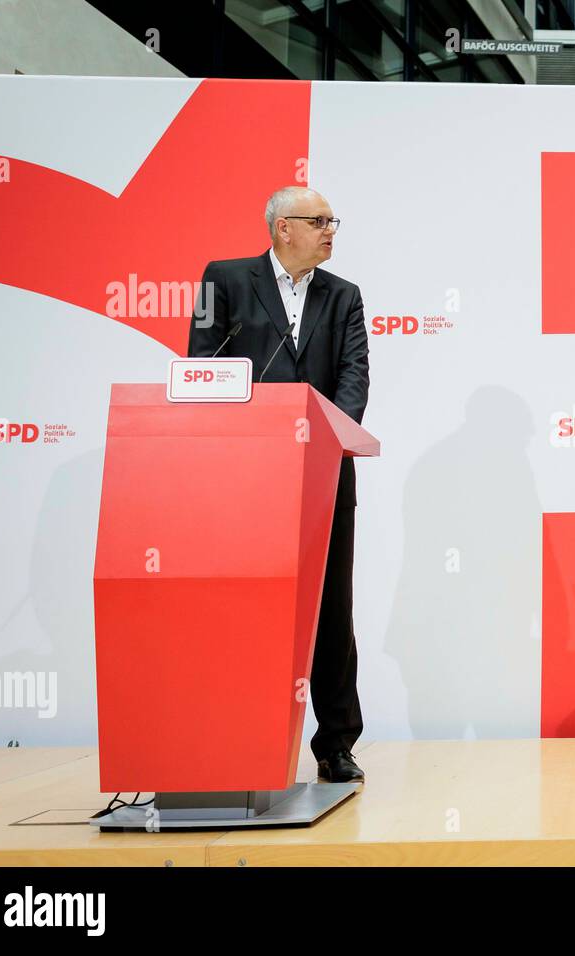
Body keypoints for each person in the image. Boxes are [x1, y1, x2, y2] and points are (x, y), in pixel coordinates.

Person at [189, 186, 370, 784]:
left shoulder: (344, 296)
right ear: (281, 228)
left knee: (331, 606)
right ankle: (239, 732)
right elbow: (203, 366)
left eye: (331, 221)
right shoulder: (225, 280)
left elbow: (352, 379)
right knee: (245, 603)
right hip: (247, 476)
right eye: (318, 221)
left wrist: (327, 441)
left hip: (323, 473)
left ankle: (336, 742)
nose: (330, 231)